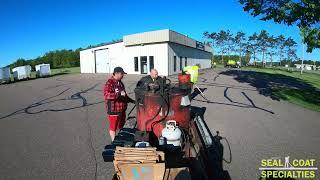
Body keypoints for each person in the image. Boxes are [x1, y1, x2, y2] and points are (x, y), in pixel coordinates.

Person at [104, 67, 135, 141]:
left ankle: (121, 140)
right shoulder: (110, 82)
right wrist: (118, 94)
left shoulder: (120, 83)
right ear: (117, 74)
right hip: (113, 110)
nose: (123, 76)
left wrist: (133, 101)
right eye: (122, 74)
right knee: (113, 128)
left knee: (122, 127)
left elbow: (124, 95)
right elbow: (107, 95)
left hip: (122, 110)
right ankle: (114, 143)